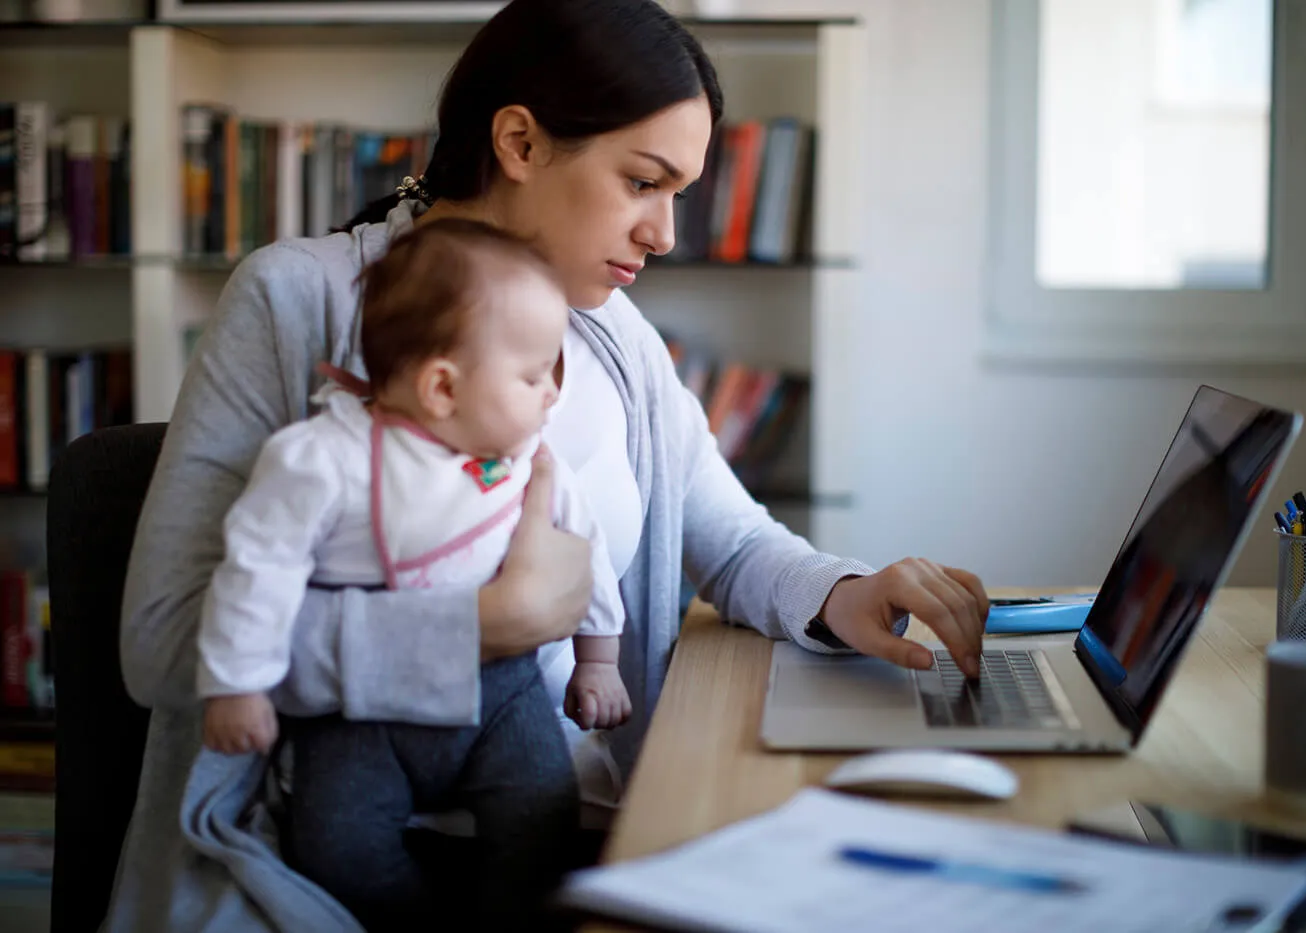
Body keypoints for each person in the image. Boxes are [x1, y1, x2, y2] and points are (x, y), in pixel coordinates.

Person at [112, 0, 990, 929]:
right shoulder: (299, 302)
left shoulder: (615, 337)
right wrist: (477, 629)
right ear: (521, 142)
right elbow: (163, 641)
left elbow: (729, 542)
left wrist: (843, 592)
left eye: (680, 194)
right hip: (344, 848)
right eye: (643, 182)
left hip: (576, 822)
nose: (666, 233)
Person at [195, 219, 630, 928]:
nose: (551, 395)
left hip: (504, 695)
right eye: (532, 375)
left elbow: (587, 549)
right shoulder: (323, 458)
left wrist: (598, 659)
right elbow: (256, 569)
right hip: (359, 711)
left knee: (541, 820)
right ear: (440, 387)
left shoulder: (528, 461)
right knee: (335, 849)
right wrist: (238, 682)